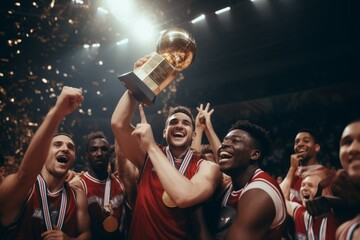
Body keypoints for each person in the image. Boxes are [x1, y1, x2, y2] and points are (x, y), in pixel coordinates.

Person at [111, 56, 222, 239]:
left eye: (186, 123)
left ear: (194, 135)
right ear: (164, 132)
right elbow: (118, 124)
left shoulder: (208, 168)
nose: (179, 125)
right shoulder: (146, 157)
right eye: (173, 122)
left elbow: (185, 197)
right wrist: (138, 82)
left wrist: (152, 146)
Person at [0, 86, 91, 240]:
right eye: (57, 145)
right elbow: (25, 175)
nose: (65, 149)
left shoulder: (78, 195)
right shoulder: (24, 189)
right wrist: (57, 112)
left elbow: (87, 233)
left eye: (70, 147)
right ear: (44, 153)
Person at [70, 131, 127, 239]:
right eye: (94, 149)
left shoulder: (121, 183)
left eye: (104, 149)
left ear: (109, 154)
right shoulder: (78, 185)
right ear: (87, 155)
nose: (99, 153)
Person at [280, 156, 336, 240]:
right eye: (303, 185)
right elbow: (281, 198)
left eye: (310, 185)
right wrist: (292, 169)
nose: (304, 188)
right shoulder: (302, 214)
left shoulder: (335, 215)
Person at [282, 128, 329, 205]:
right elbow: (279, 200)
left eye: (306, 141)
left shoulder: (324, 173)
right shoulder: (293, 172)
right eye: (296, 142)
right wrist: (292, 169)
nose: (300, 144)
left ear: (316, 147)